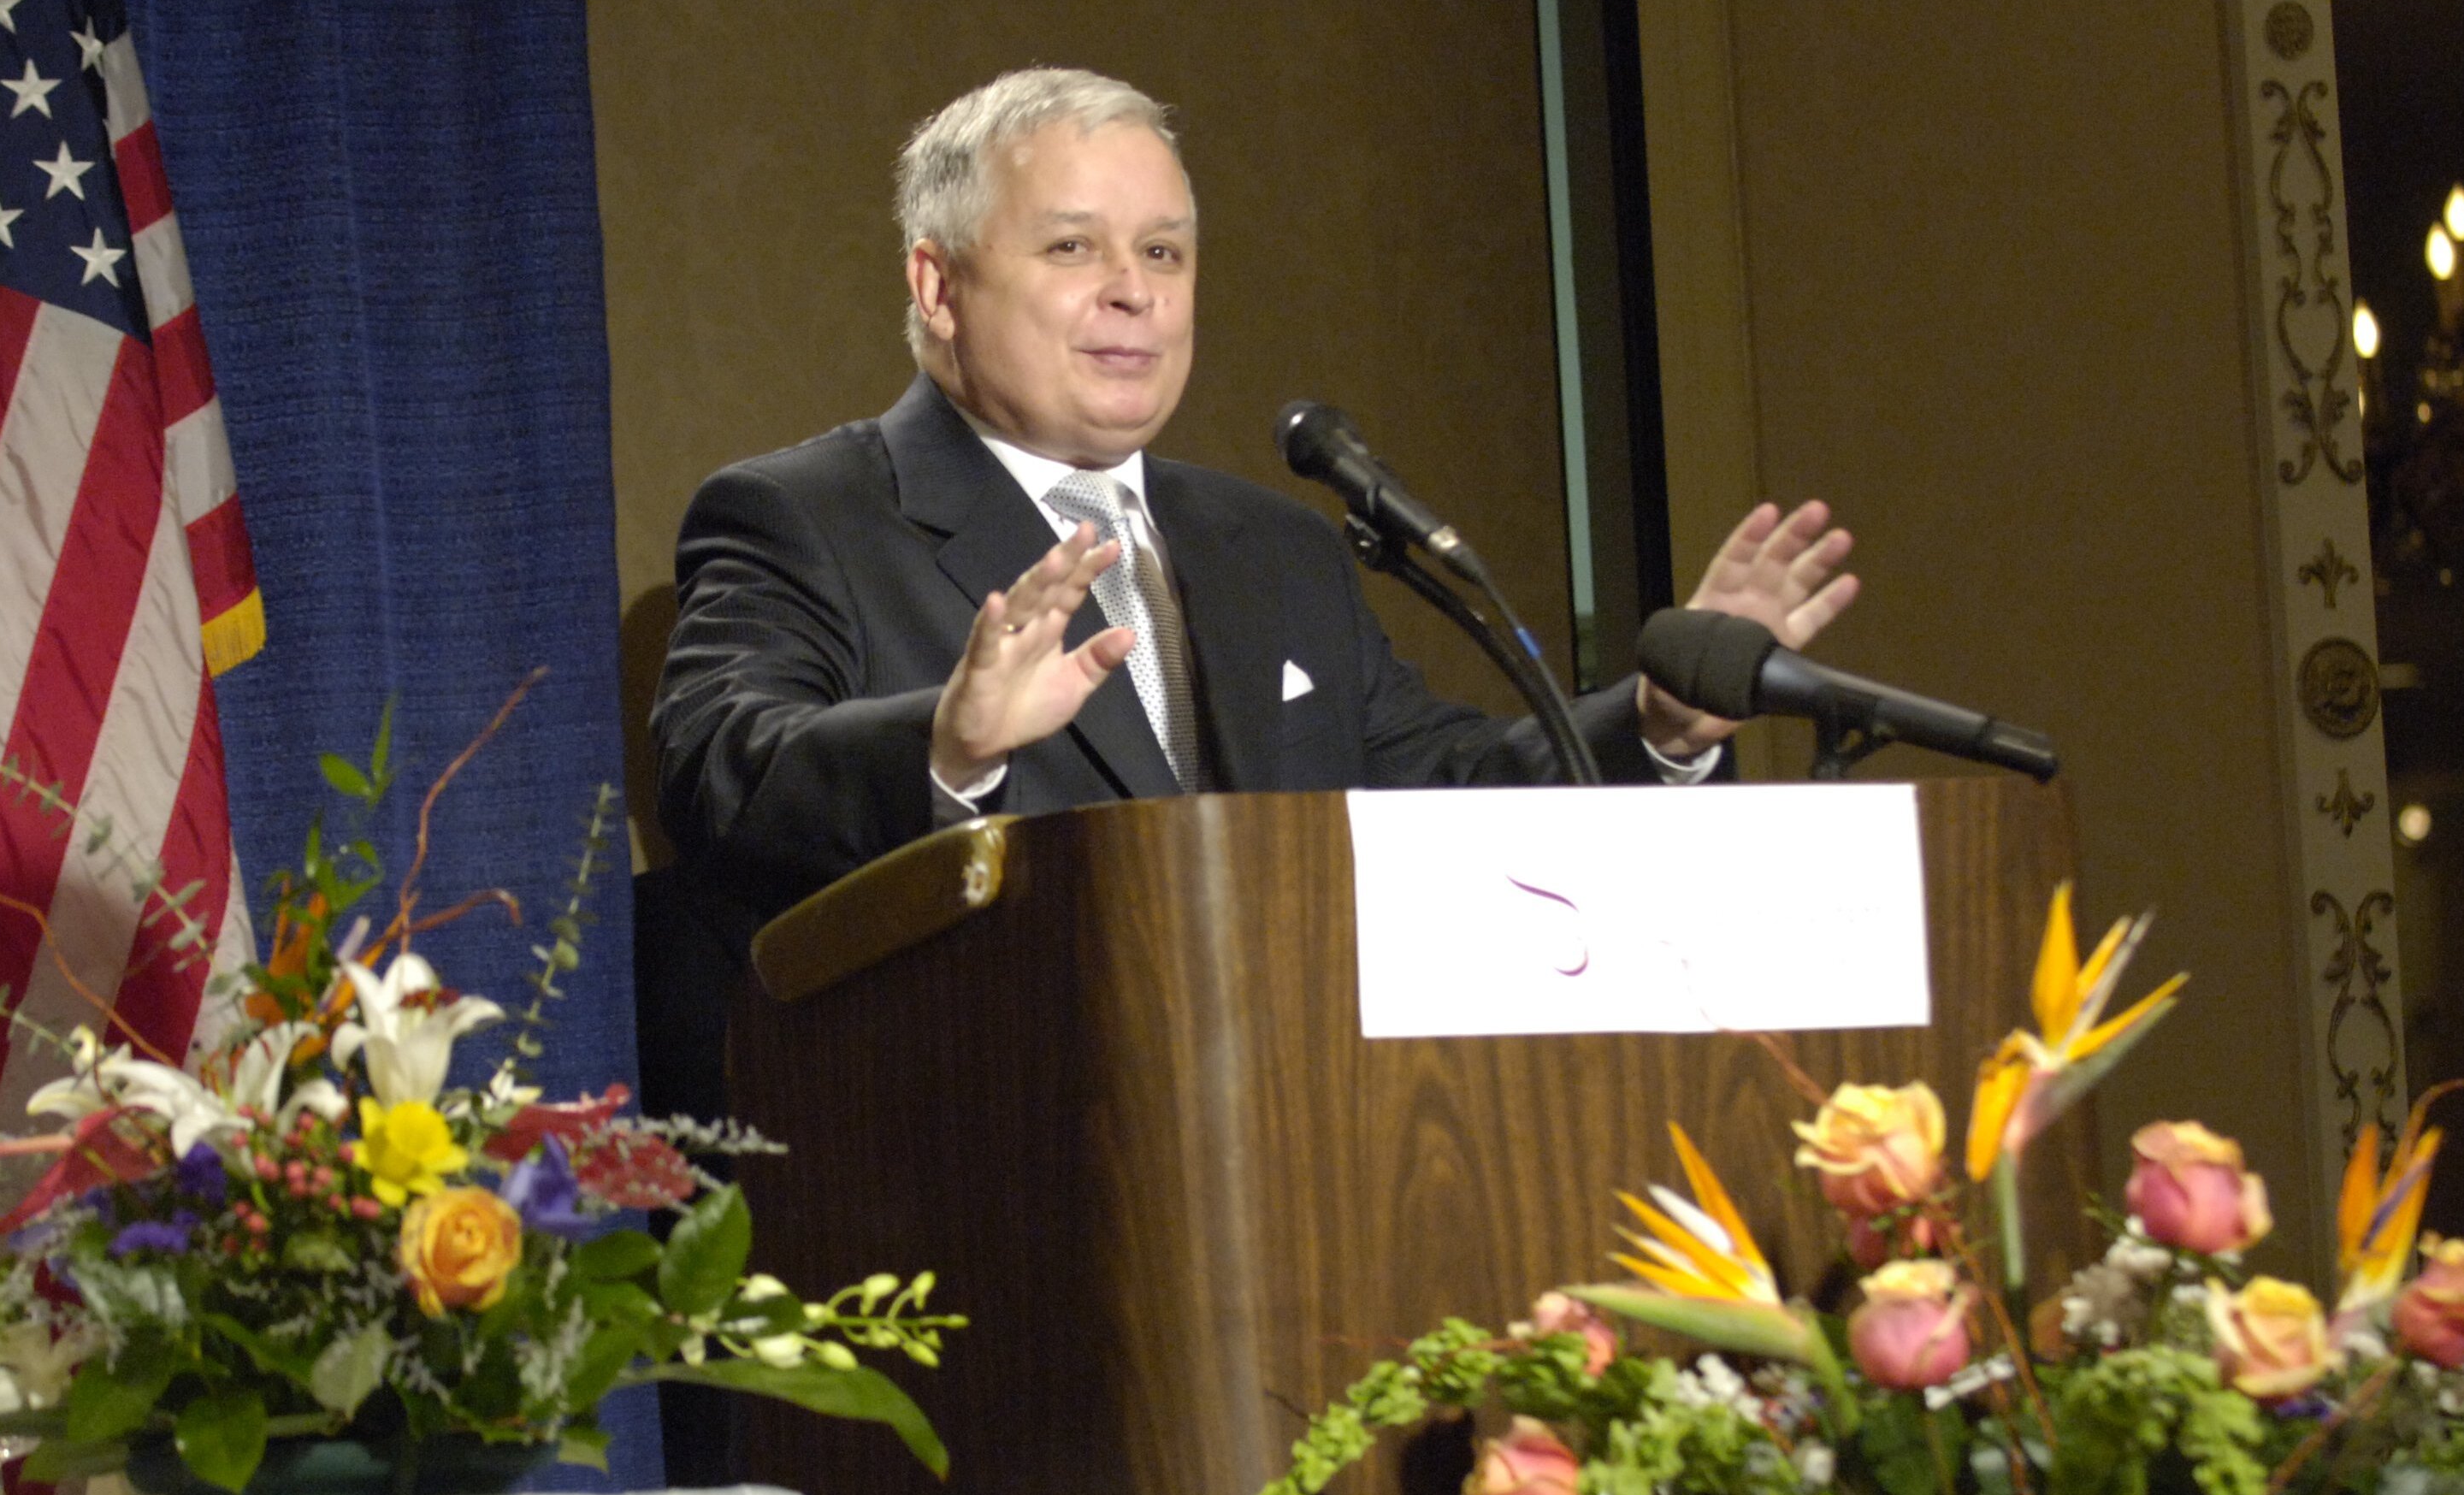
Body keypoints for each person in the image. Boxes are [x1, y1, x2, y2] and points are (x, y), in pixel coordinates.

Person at [650, 66, 1862, 923]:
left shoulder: (1273, 546)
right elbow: (721, 783)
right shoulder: (803, 516)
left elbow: (1449, 799)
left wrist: (1657, 722)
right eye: (1072, 247)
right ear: (937, 285)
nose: (1134, 291)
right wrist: (947, 744)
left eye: (1162, 251)